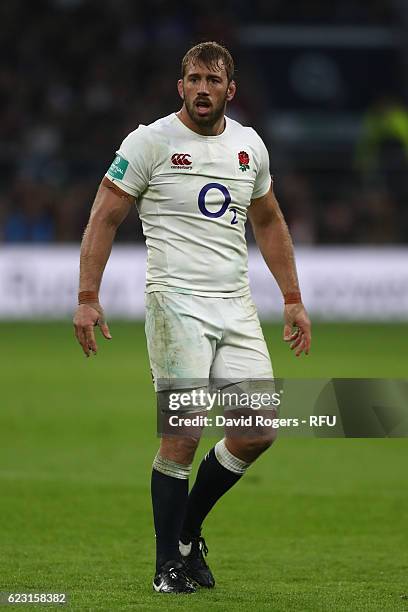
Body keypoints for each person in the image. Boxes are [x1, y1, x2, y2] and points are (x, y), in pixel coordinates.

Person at [73, 41, 311, 594]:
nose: (203, 88)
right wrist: (88, 294)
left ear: (231, 90)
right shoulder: (149, 141)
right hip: (175, 303)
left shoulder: (250, 146)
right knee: (182, 434)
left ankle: (186, 530)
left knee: (256, 432)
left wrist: (293, 297)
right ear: (180, 87)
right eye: (194, 78)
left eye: (213, 80)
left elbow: (270, 221)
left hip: (235, 304)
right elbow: (104, 216)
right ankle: (167, 567)